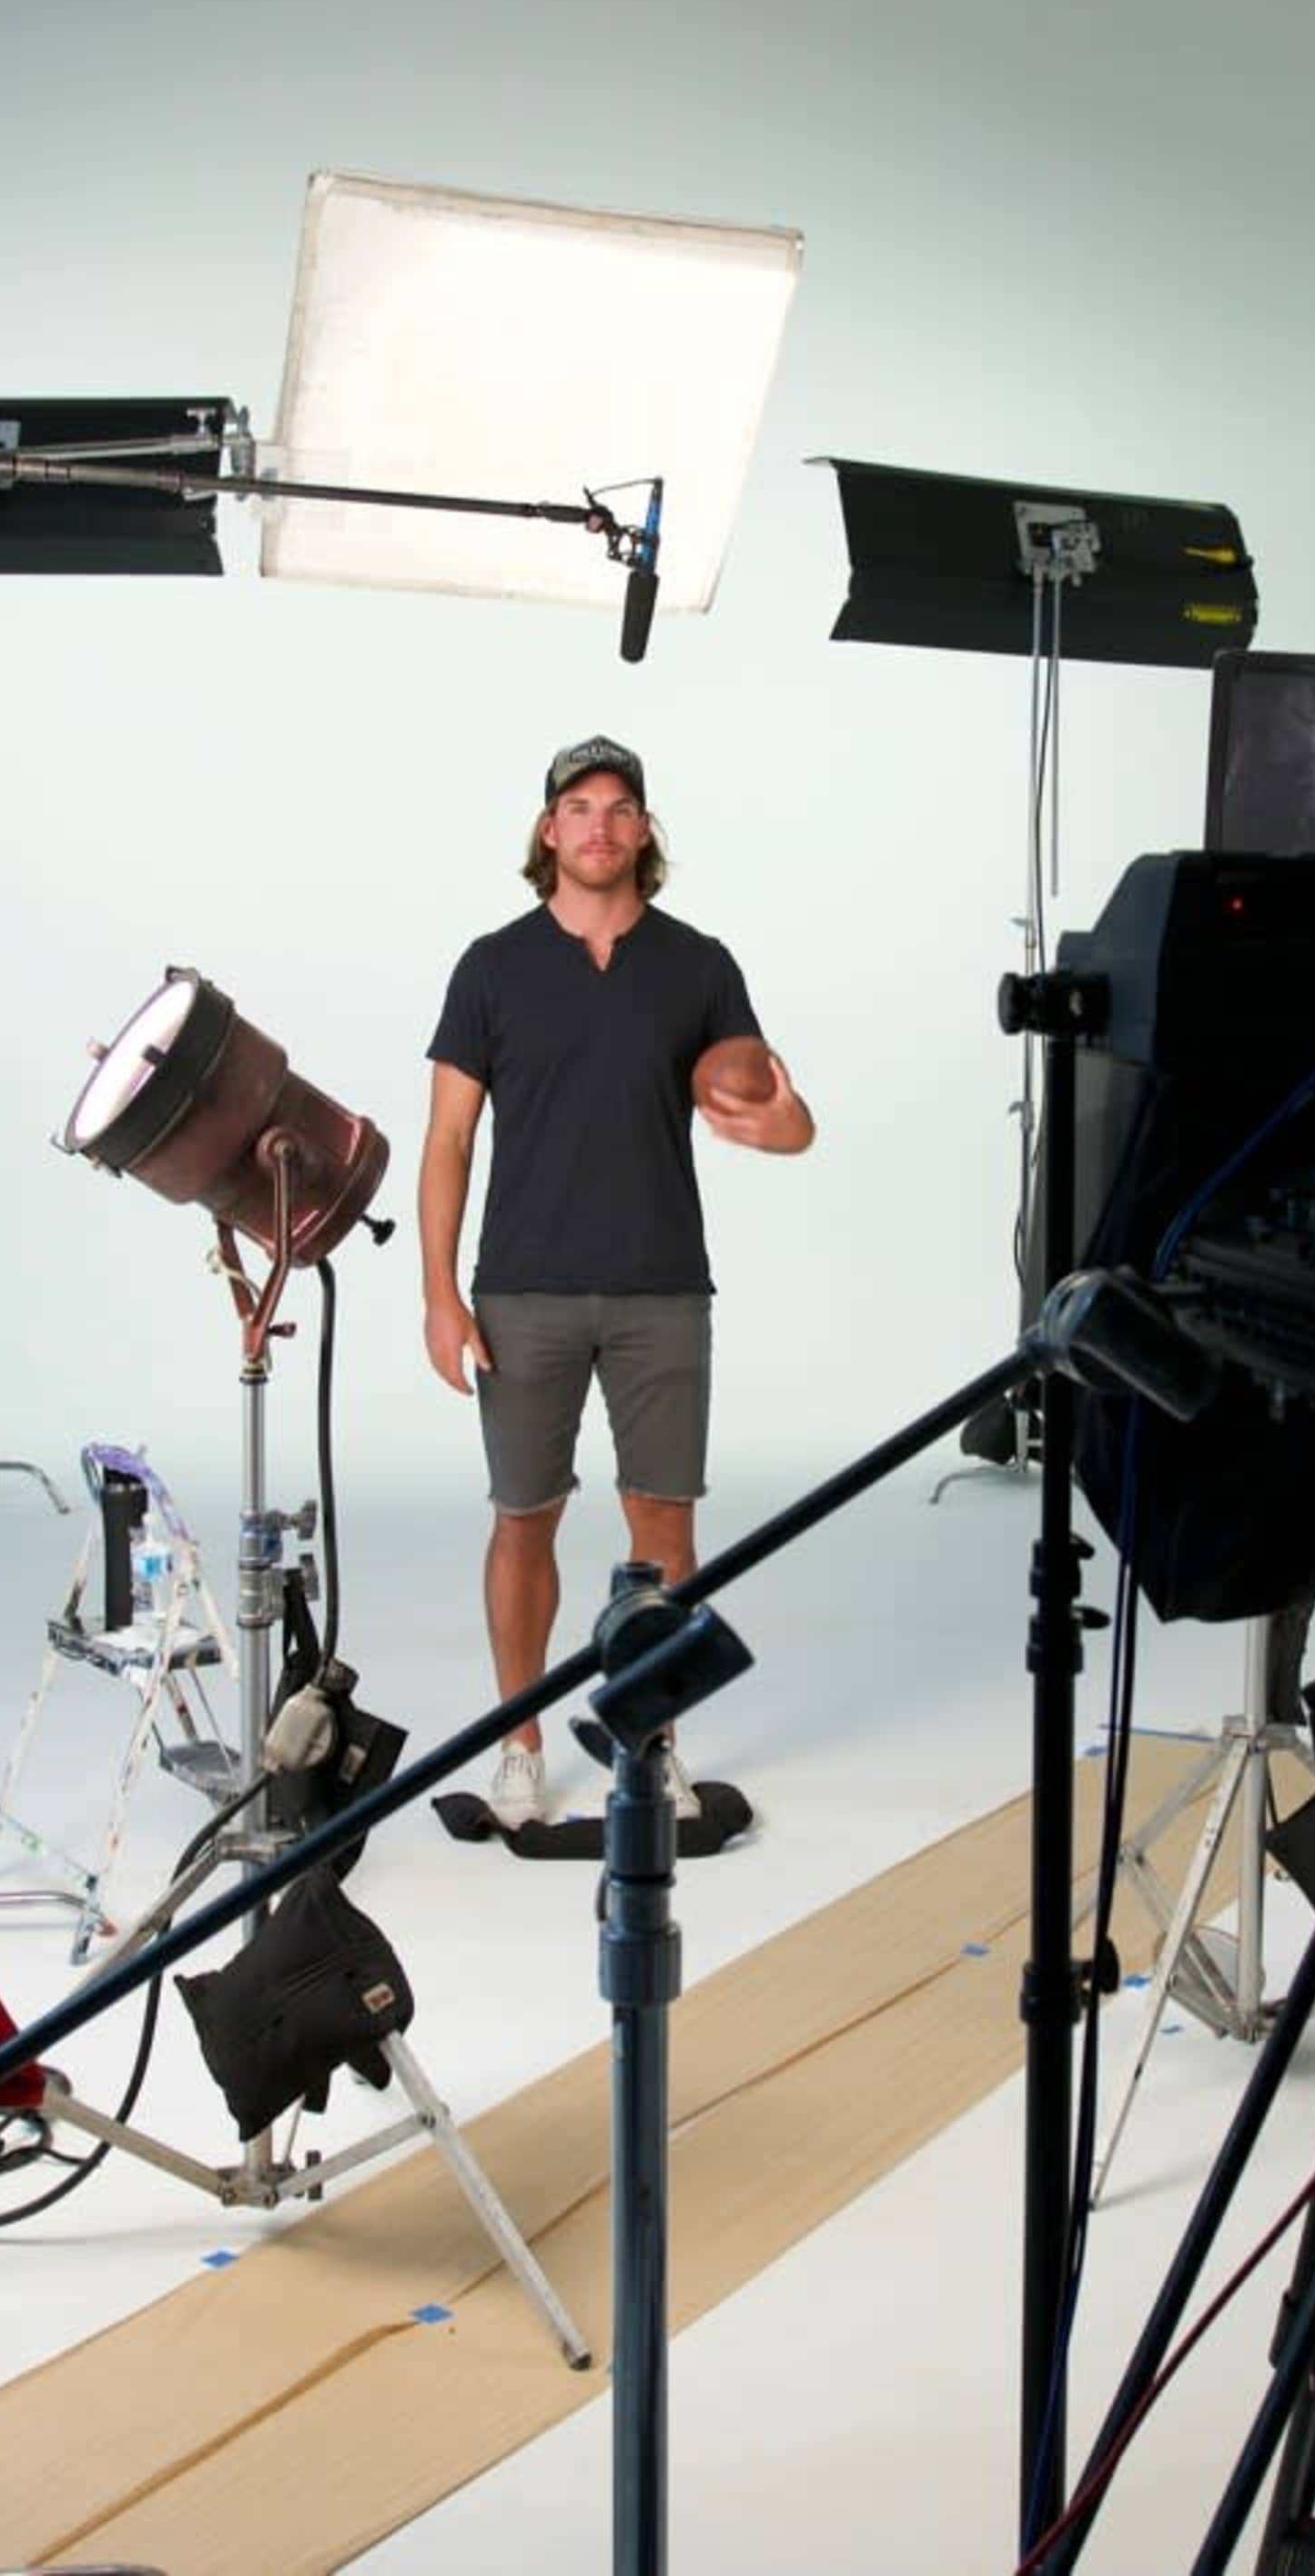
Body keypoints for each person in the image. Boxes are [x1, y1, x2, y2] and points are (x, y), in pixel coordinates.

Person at [420, 735, 814, 1830]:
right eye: (578, 807)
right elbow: (448, 1139)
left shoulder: (699, 963)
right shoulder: (491, 966)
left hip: (660, 1289)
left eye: (620, 807)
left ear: (645, 833)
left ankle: (653, 1743)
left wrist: (776, 1119)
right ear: (549, 831)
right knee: (523, 1522)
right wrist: (440, 1295)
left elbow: (787, 1119)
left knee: (666, 1533)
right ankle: (521, 1741)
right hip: (524, 1291)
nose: (599, 824)